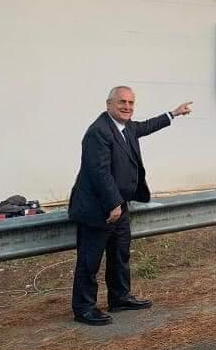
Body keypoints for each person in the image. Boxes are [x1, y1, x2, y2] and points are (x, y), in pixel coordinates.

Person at [69, 86, 192, 326]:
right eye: (122, 102)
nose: (127, 107)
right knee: (89, 261)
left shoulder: (127, 127)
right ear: (109, 104)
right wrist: (113, 203)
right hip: (98, 209)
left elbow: (147, 126)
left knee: (120, 254)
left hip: (119, 207)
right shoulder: (98, 132)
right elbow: (99, 172)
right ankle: (84, 308)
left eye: (131, 103)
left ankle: (120, 298)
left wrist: (173, 113)